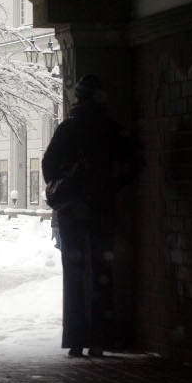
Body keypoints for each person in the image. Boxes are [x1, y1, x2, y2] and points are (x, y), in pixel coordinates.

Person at [42, 74, 140, 358]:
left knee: (74, 272)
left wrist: (68, 186)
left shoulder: (68, 128)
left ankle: (75, 338)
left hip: (72, 210)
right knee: (102, 272)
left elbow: (49, 166)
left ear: (78, 98)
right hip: (101, 208)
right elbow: (131, 166)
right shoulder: (111, 129)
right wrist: (108, 187)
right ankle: (99, 338)